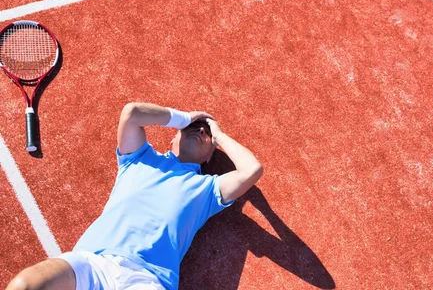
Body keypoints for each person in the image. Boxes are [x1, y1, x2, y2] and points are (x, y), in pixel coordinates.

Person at [5, 102, 263, 290]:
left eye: (207, 135)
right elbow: (132, 113)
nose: (201, 131)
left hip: (146, 279)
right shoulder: (138, 159)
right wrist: (184, 118)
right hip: (93, 263)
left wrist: (219, 134)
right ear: (174, 136)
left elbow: (252, 170)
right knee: (24, 285)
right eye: (194, 127)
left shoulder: (206, 189)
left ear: (209, 157)